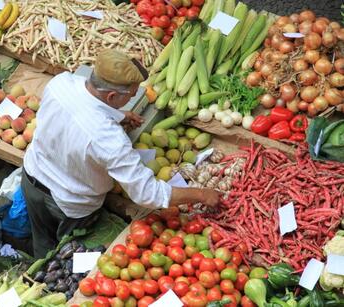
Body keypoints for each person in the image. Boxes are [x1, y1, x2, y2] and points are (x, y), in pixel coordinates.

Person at [22, 50, 221, 258]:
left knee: (42, 239)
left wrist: (116, 114)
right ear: (112, 96)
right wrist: (202, 194)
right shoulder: (109, 138)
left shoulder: (60, 83)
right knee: (64, 256)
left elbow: (79, 115)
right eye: (131, 94)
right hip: (69, 204)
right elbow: (148, 194)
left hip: (32, 177)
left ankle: (37, 266)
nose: (135, 96)